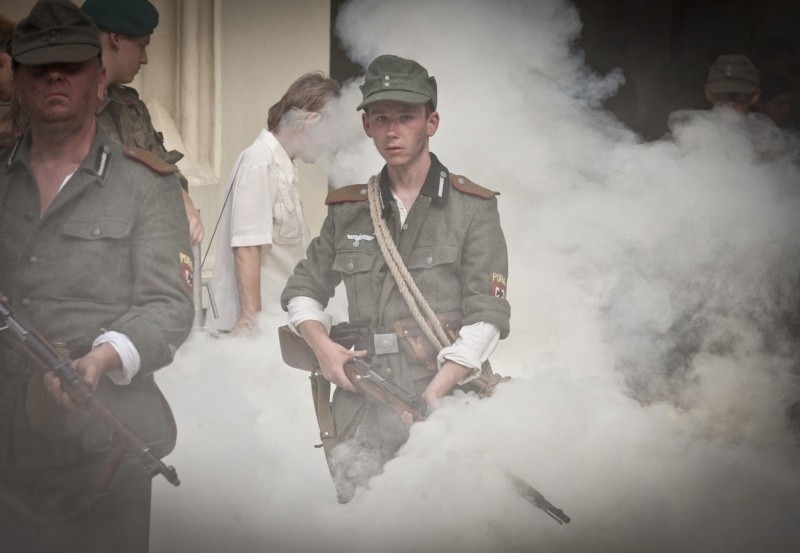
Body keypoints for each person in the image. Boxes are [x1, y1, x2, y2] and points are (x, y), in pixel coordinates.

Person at [0, 1, 194, 552]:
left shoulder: (146, 185)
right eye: (38, 65)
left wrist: (104, 356)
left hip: (102, 439)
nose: (55, 75)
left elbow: (169, 307)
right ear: (16, 76)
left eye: (71, 64)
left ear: (99, 77)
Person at [281, 55, 510, 501]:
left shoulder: (473, 208)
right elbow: (303, 291)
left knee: (446, 525)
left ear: (432, 121)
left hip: (445, 400)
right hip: (361, 402)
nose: (392, 131)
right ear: (366, 125)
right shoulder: (348, 211)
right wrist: (323, 349)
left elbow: (488, 315)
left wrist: (433, 395)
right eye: (381, 119)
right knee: (363, 525)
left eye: (406, 118)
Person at [206, 72, 341, 333]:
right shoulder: (260, 161)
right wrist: (250, 319)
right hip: (259, 329)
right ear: (312, 120)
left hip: (278, 325)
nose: (330, 143)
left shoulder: (282, 166)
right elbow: (247, 246)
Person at [81, 0, 204, 246]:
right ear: (115, 38)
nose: (145, 58)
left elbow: (162, 166)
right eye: (141, 45)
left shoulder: (131, 108)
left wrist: (182, 197)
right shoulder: (65, 106)